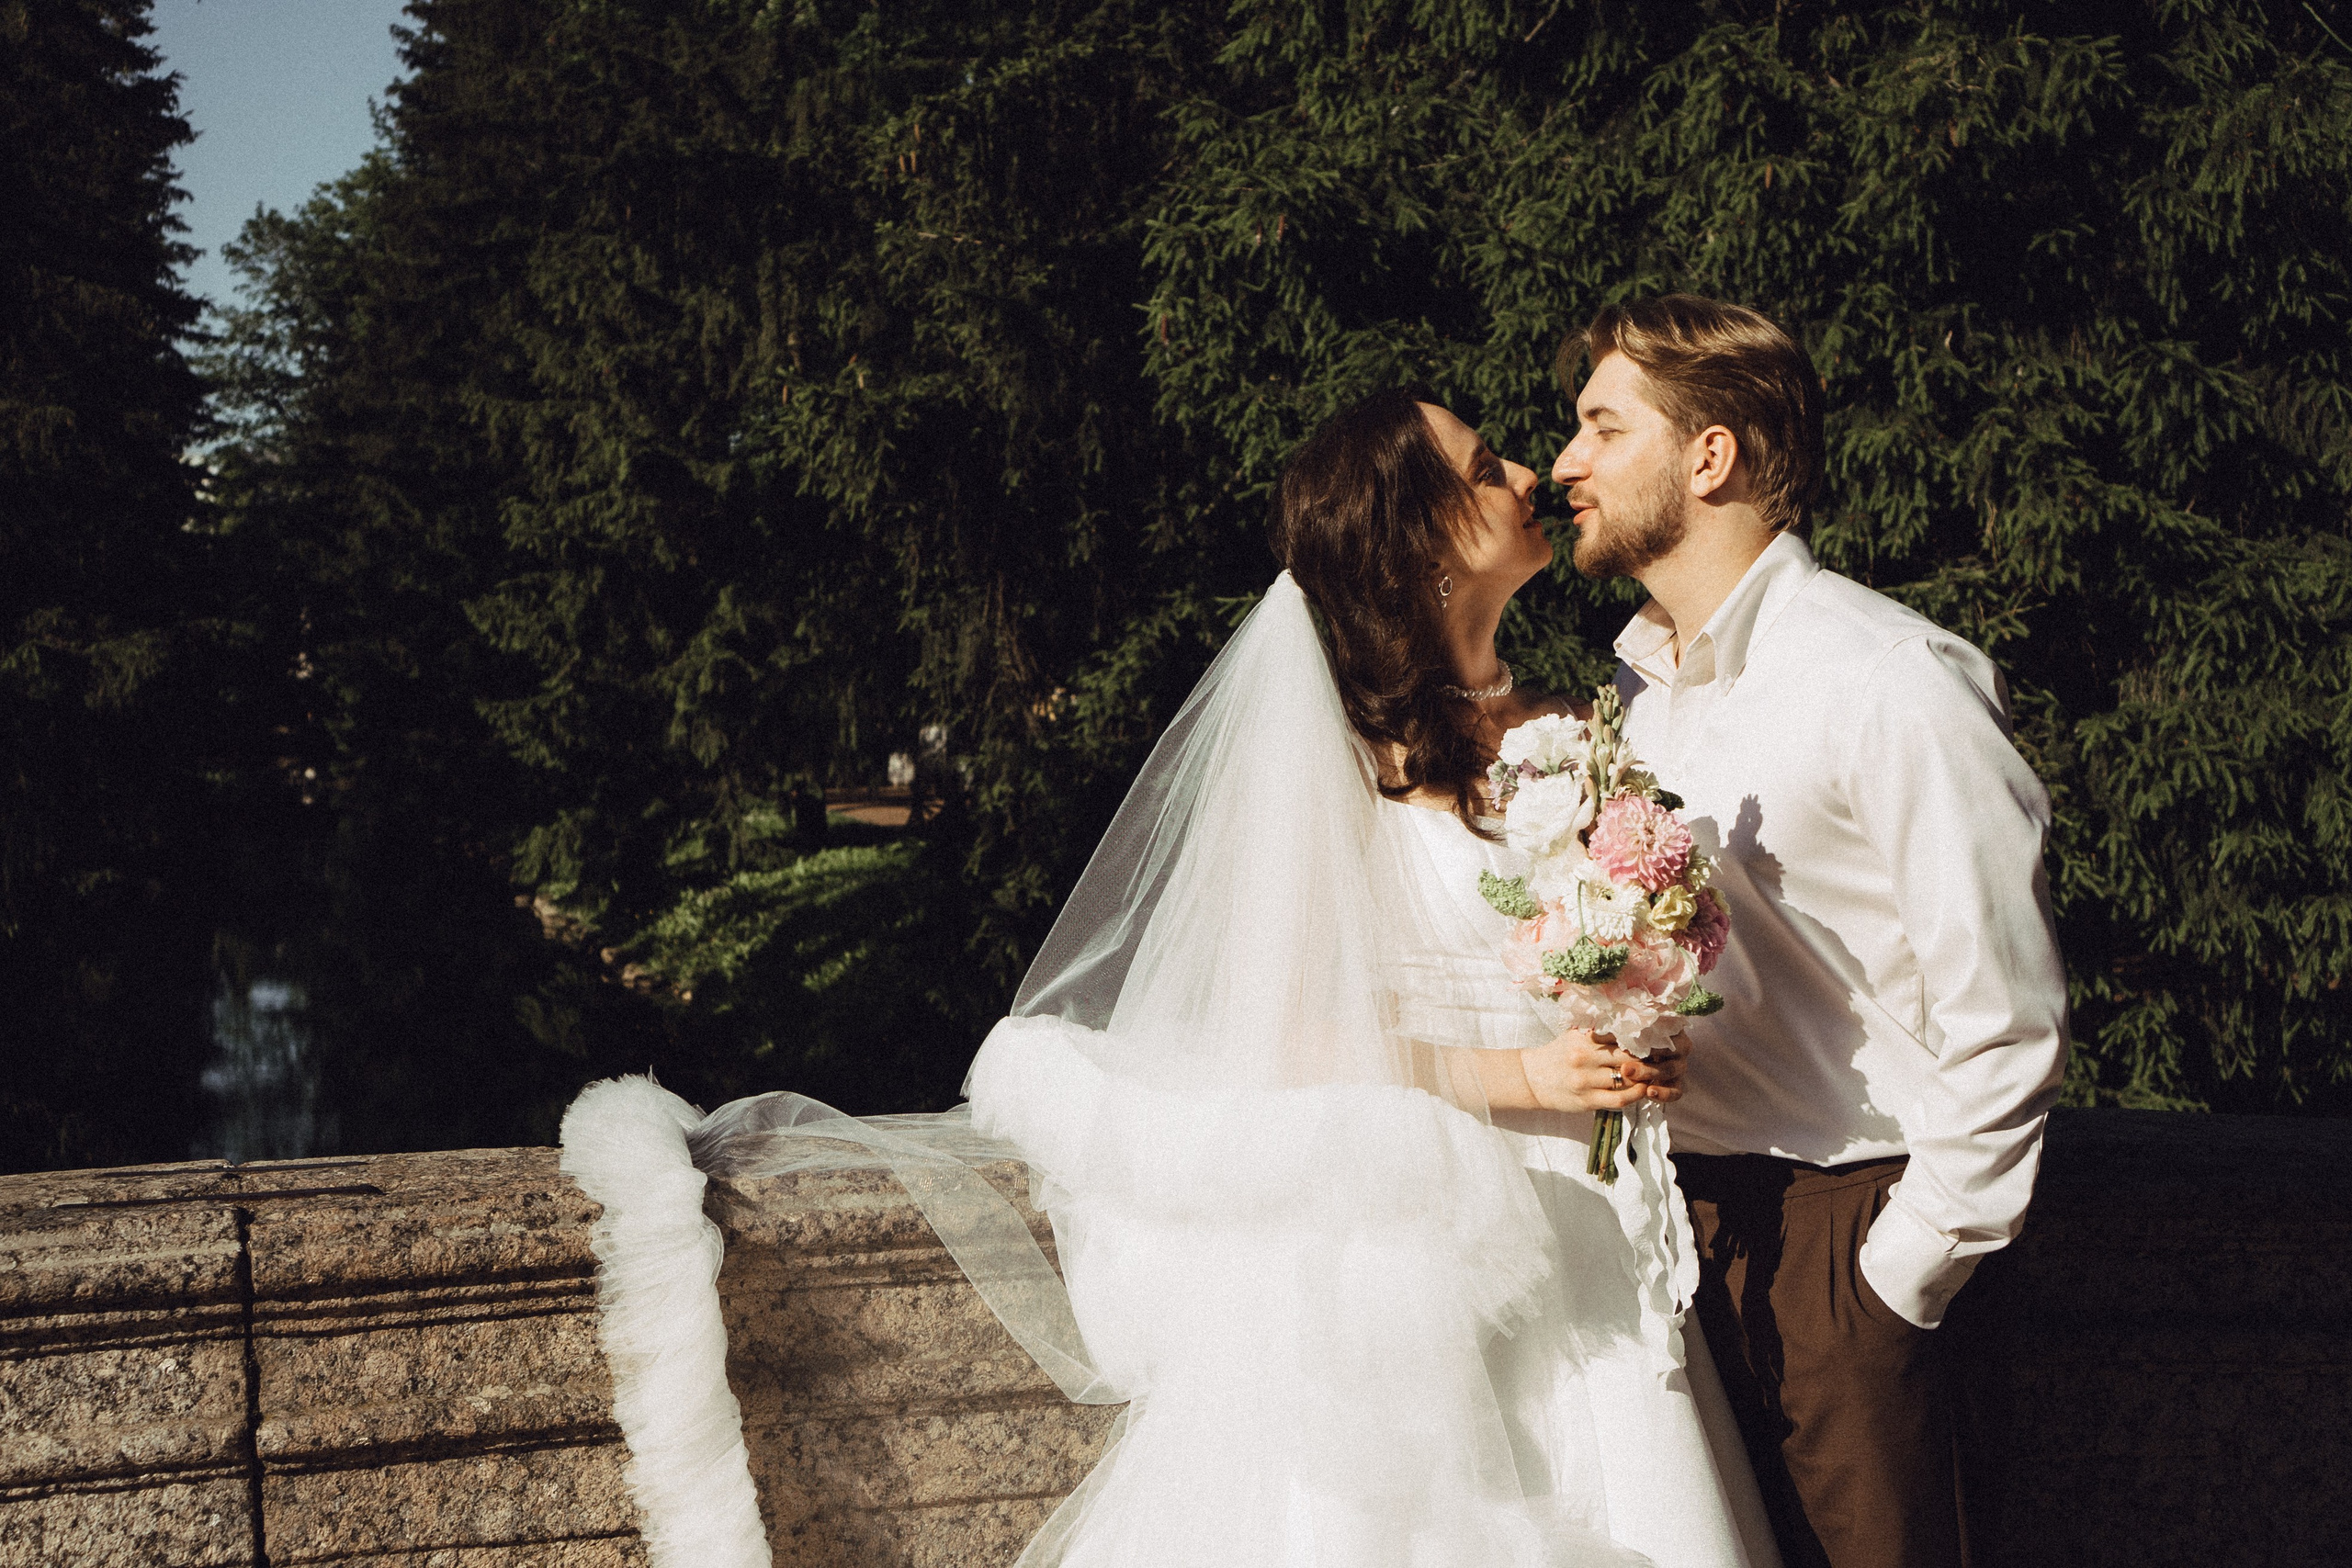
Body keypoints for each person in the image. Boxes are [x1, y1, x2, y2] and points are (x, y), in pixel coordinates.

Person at [563, 389, 1782, 1568]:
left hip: (1595, 1204)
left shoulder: (1570, 728)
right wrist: (1520, 1073)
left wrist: (1635, 992)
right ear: (1415, 542)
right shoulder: (1332, 763)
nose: (1526, 477)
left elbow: (1589, 940)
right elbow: (1292, 1036)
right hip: (1432, 1224)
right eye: (1482, 468)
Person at [1548, 295, 2070, 1568]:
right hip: (1681, 1244)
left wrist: (1897, 1283)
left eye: (1602, 430)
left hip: (1848, 1233)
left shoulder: (1889, 680)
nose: (1565, 463)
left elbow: (2007, 1017)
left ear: (1708, 454)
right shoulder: (1637, 695)